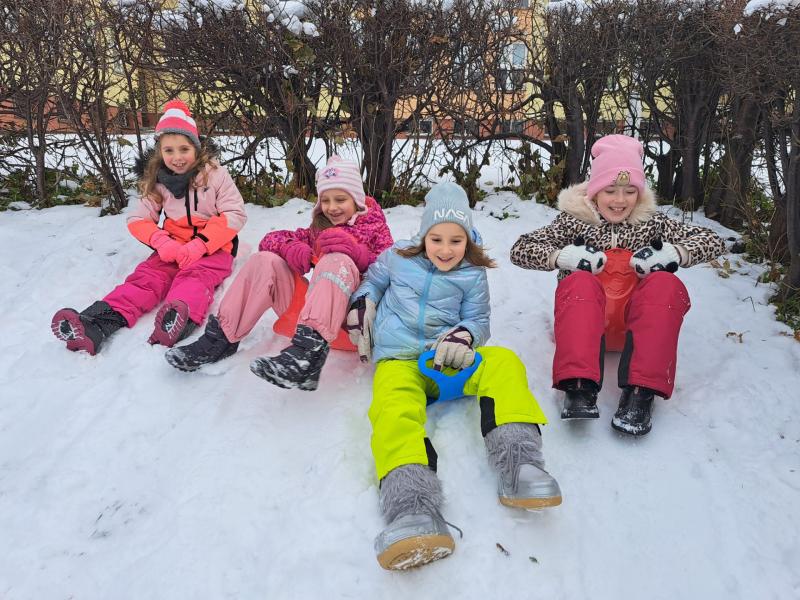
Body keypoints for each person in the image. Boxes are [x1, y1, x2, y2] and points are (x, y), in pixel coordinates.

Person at [346, 182, 561, 571]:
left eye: (456, 241)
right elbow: (373, 281)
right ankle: (412, 508)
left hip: (448, 359)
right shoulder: (397, 257)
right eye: (438, 238)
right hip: (400, 362)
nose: (446, 249)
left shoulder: (472, 275)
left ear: (468, 240)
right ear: (424, 233)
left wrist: (464, 336)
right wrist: (364, 305)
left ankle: (520, 464)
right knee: (393, 411)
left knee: (503, 362)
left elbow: (478, 320)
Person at [510, 134, 726, 436]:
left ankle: (641, 392)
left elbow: (713, 240)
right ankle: (579, 386)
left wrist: (673, 252)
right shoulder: (573, 221)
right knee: (580, 282)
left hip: (635, 326)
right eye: (610, 190)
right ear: (595, 190)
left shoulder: (652, 222)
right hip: (584, 324)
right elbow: (520, 249)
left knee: (665, 284)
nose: (620, 200)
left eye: (629, 191)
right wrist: (562, 256)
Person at [165, 155, 393, 391]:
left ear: (356, 200)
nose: (332, 207)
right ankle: (219, 339)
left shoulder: (374, 229)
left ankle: (307, 359)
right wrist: (289, 247)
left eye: (340, 199)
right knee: (265, 260)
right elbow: (269, 240)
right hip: (309, 323)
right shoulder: (319, 229)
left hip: (351, 326)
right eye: (325, 200)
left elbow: (393, 271)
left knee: (337, 260)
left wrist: (361, 257)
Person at [51, 100, 247, 355]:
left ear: (197, 148)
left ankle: (178, 319)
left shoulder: (216, 174)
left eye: (184, 149)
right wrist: (162, 242)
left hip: (213, 250)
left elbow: (235, 213)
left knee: (195, 279)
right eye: (169, 151)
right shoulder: (158, 181)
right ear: (160, 152)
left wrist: (200, 245)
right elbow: (138, 219)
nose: (177, 157)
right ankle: (95, 324)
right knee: (146, 279)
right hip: (173, 247)